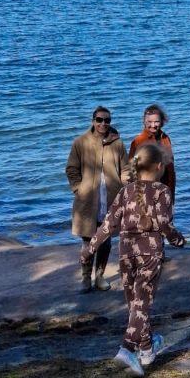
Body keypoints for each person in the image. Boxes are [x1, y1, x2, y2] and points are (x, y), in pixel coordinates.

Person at [87, 144, 186, 377]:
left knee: (135, 303)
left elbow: (108, 224)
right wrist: (178, 240)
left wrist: (89, 249)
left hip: (126, 251)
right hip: (150, 252)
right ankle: (126, 347)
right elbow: (164, 224)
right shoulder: (162, 191)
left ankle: (147, 350)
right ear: (159, 167)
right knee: (142, 302)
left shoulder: (125, 191)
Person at [66, 105, 127, 291]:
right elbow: (71, 169)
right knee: (87, 241)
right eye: (99, 120)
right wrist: (79, 190)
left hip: (109, 200)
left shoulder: (117, 143)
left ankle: (99, 276)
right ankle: (86, 277)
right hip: (87, 202)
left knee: (106, 242)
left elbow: (125, 169)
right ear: (93, 121)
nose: (103, 123)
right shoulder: (80, 142)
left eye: (107, 120)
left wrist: (125, 187)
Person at [129, 104, 175, 204]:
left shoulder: (165, 138)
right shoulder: (138, 141)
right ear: (144, 122)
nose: (153, 125)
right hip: (146, 191)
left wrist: (171, 192)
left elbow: (170, 166)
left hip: (167, 187)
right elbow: (133, 167)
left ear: (162, 122)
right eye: (149, 122)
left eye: (156, 122)